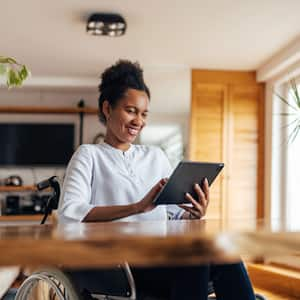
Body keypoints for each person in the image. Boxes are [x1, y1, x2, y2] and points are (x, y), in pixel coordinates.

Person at [58, 60, 256, 300]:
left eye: (143, 114)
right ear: (107, 108)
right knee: (193, 261)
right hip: (118, 266)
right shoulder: (88, 155)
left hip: (162, 256)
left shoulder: (155, 156)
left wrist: (192, 213)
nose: (138, 121)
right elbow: (70, 213)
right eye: (130, 111)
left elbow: (172, 213)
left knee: (224, 252)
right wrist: (137, 207)